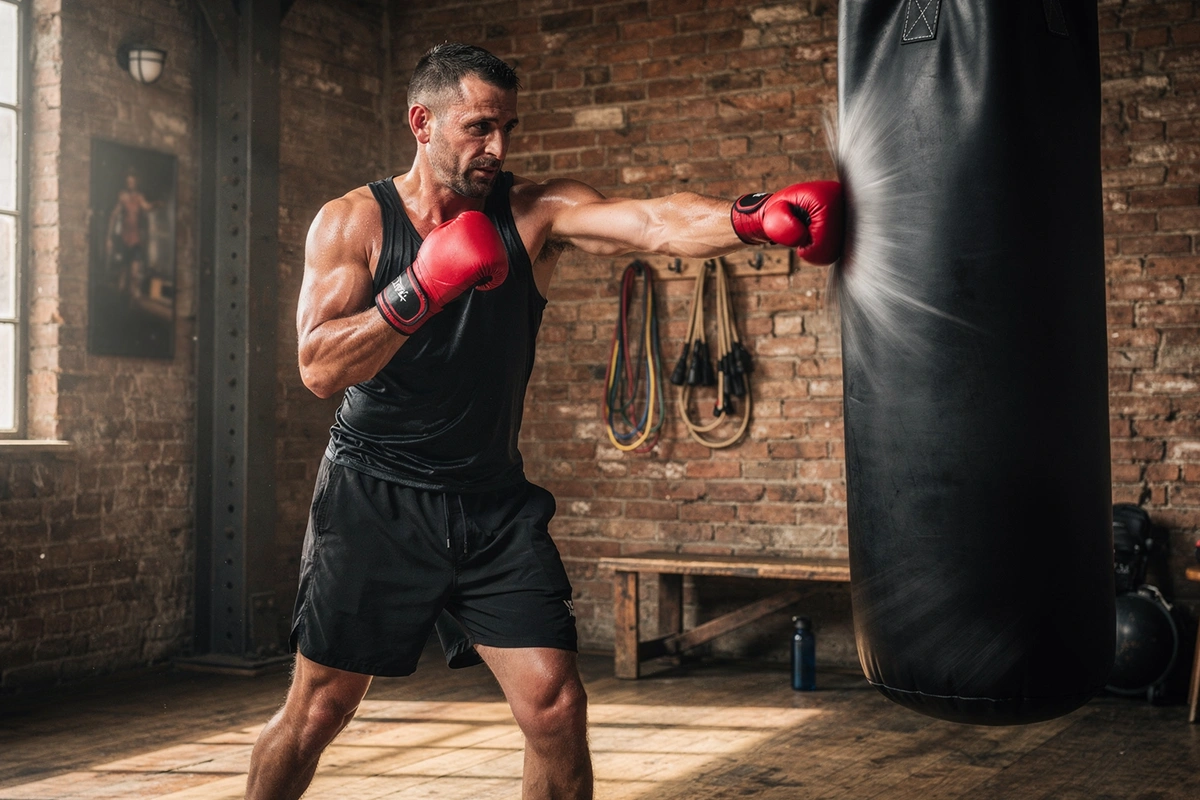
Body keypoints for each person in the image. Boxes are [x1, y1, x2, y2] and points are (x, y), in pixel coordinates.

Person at [245, 42, 842, 800]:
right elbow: (320, 366)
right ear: (421, 123)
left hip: (490, 502)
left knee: (556, 705)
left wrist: (752, 218)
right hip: (375, 497)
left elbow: (654, 222)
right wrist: (422, 285)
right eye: (479, 128)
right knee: (320, 708)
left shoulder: (533, 213)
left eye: (509, 129)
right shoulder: (352, 223)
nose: (499, 148)